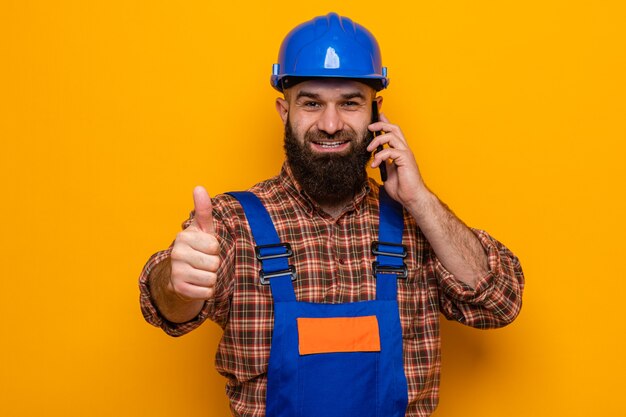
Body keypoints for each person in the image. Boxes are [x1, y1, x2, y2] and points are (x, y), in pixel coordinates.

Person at [138, 12, 524, 417]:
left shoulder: (417, 224)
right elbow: (162, 306)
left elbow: (500, 302)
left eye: (350, 103)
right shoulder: (232, 223)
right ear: (284, 112)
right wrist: (178, 283)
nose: (330, 123)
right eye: (311, 103)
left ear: (376, 113)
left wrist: (420, 200)